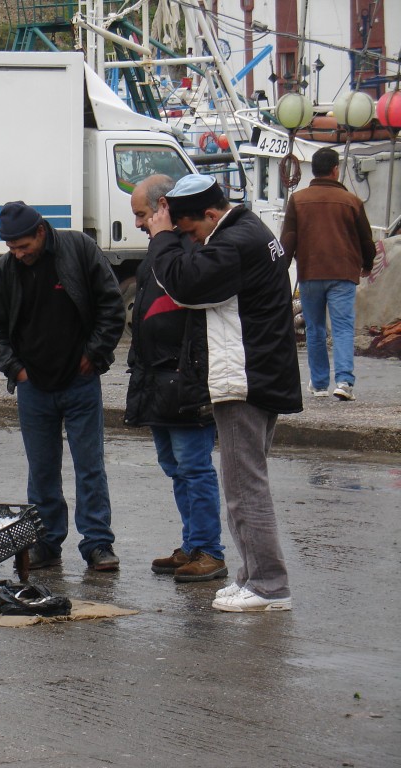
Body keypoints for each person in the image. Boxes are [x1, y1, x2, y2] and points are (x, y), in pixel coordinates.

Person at [145, 174, 302, 612]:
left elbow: (185, 286)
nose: (191, 240)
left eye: (192, 230)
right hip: (263, 373)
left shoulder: (234, 243)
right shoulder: (250, 231)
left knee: (244, 488)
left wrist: (162, 239)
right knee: (245, 484)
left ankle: (269, 585)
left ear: (211, 214)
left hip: (245, 380)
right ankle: (252, 576)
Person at [0, 201, 124, 572]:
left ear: (41, 232)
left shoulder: (79, 250)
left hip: (80, 382)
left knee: (89, 467)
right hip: (34, 388)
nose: (18, 254)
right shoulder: (5, 271)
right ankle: (45, 542)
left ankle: (97, 544)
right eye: (12, 248)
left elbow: (112, 305)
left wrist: (94, 353)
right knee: (42, 469)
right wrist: (15, 369)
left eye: (23, 246)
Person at [125, 175, 225, 582]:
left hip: (184, 377)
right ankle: (193, 544)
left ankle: (209, 550)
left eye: (142, 215)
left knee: (193, 466)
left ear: (164, 207)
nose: (137, 224)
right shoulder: (162, 247)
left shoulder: (190, 246)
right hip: (157, 376)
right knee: (175, 466)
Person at [280, 147, 376, 402]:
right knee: (343, 327)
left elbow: (288, 239)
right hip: (343, 273)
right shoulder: (352, 202)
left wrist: (281, 269)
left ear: (314, 170)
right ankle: (344, 382)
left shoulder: (298, 200)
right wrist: (368, 263)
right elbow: (366, 239)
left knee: (315, 328)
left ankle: (320, 383)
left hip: (310, 272)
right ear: (335, 170)